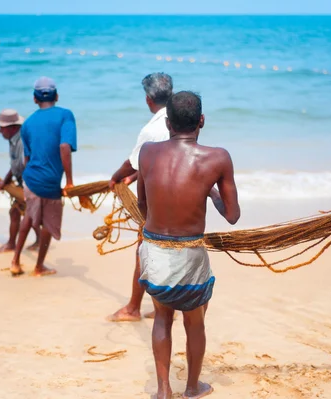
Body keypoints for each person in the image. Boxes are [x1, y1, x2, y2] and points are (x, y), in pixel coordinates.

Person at [137, 91, 240, 399]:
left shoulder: (146, 153)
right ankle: (193, 388)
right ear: (202, 121)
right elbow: (233, 215)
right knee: (194, 322)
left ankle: (164, 389)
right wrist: (211, 193)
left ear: (167, 123)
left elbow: (143, 205)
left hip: (153, 250)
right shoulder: (217, 158)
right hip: (190, 254)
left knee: (162, 318)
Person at [107, 72, 173, 322]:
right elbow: (164, 158)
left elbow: (133, 161)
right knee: (169, 250)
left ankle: (133, 308)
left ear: (148, 99)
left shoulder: (151, 129)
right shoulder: (181, 119)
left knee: (143, 250)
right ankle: (167, 306)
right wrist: (134, 177)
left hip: (157, 201)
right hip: (181, 196)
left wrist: (116, 177)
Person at [10, 77, 77, 277]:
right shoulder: (66, 115)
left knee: (28, 218)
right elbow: (64, 147)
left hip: (30, 179)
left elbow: (27, 159)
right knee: (47, 225)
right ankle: (38, 267)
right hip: (50, 183)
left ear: (34, 99)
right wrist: (70, 181)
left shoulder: (28, 123)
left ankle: (15, 261)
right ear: (56, 96)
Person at [0, 109, 40, 253]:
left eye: (2, 127)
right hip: (23, 181)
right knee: (18, 213)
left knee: (30, 214)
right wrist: (5, 180)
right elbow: (14, 165)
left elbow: (24, 165)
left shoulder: (22, 141)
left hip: (30, 182)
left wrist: (26, 189)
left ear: (12, 128)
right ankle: (14, 243)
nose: (0, 131)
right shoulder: (13, 140)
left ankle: (37, 242)